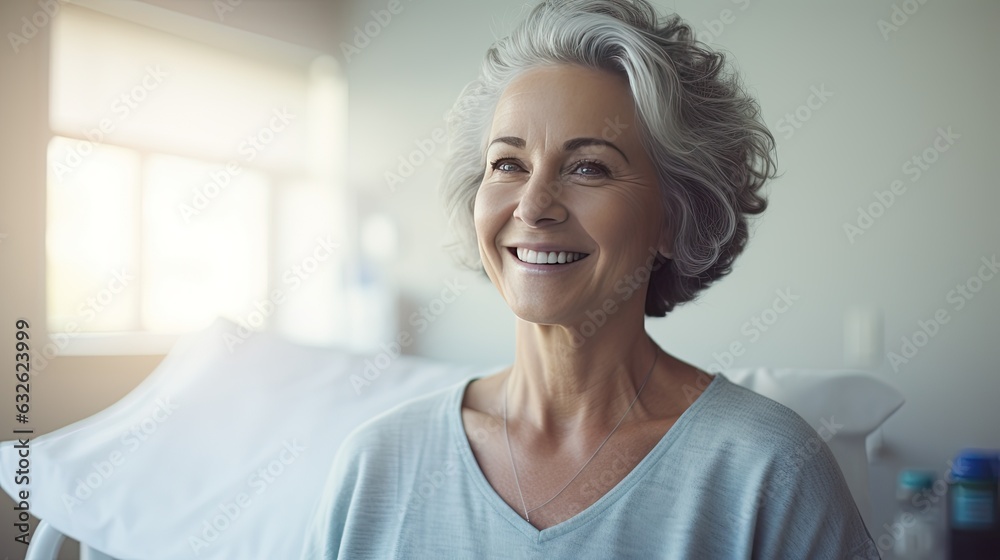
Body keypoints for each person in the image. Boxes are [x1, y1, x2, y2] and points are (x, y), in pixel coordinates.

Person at [303, 0, 879, 557]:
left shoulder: (769, 471)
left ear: (674, 219)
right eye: (508, 163)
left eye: (589, 167)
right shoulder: (376, 464)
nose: (533, 205)